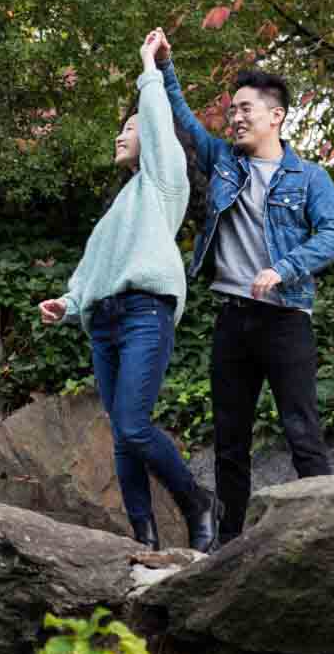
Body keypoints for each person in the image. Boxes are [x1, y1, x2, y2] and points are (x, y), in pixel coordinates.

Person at [153, 29, 334, 545]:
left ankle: (331, 540)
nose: (234, 117)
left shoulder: (309, 179)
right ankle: (231, 545)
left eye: (244, 109)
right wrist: (166, 68)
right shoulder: (225, 164)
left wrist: (283, 267)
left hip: (286, 319)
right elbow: (188, 128)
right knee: (229, 444)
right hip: (234, 321)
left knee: (303, 436)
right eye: (232, 110)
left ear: (275, 115)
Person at [38, 31, 218, 553]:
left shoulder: (165, 184)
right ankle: (143, 538)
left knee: (135, 426)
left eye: (131, 127)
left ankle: (197, 501)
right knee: (122, 437)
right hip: (105, 324)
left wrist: (150, 66)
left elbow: (160, 122)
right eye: (121, 128)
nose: (122, 134)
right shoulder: (118, 210)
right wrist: (68, 304)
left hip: (145, 313)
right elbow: (91, 272)